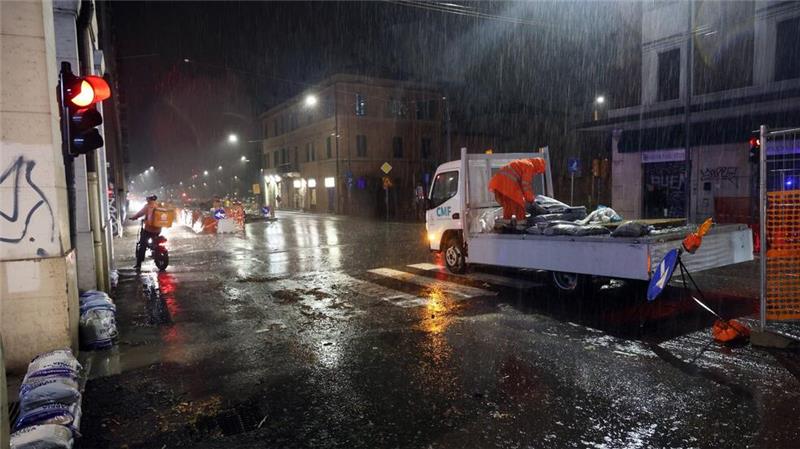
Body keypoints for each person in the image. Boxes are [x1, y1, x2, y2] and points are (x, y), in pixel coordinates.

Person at [129, 195, 162, 271]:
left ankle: (138, 264)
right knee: (156, 240)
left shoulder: (147, 206)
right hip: (158, 230)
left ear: (148, 200)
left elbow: (140, 213)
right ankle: (155, 249)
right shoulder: (159, 205)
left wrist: (134, 217)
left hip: (149, 229)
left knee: (142, 245)